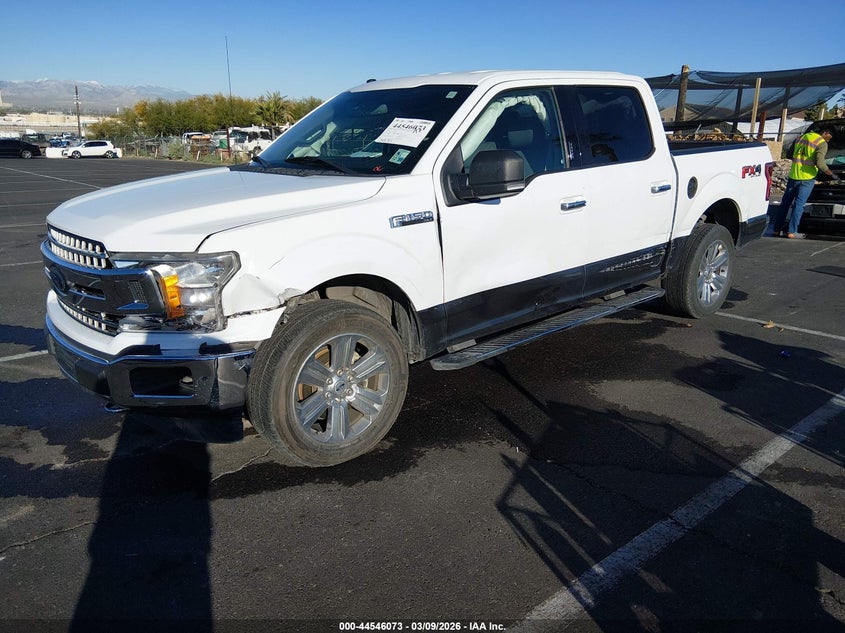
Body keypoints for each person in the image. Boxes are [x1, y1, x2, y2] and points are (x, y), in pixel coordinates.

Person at [773, 126, 840, 238]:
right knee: (798, 205)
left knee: (785, 204)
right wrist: (831, 174)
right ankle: (791, 231)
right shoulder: (821, 143)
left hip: (794, 175)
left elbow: (790, 154)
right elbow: (820, 162)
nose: (829, 139)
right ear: (825, 132)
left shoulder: (801, 137)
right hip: (807, 178)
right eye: (830, 137)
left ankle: (776, 229)